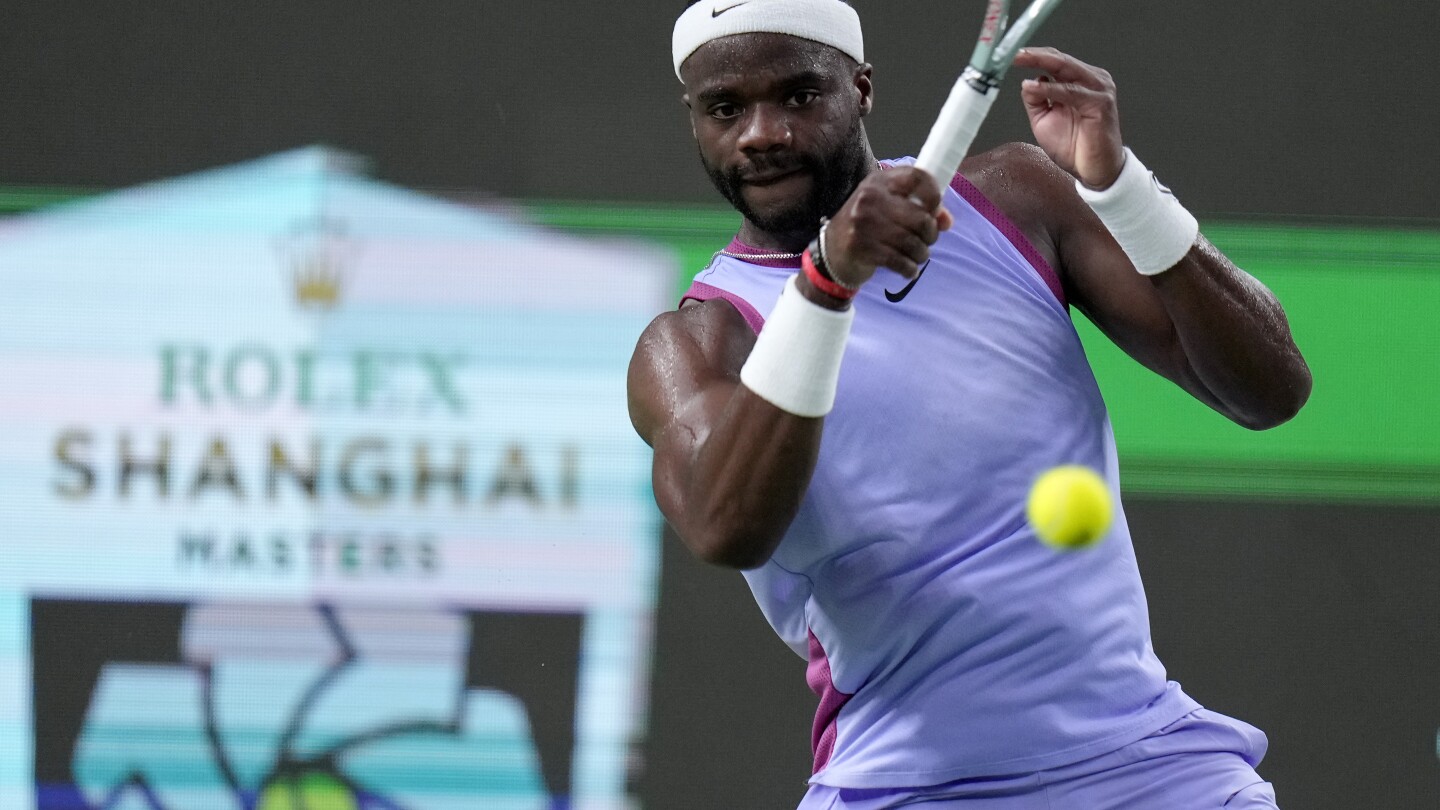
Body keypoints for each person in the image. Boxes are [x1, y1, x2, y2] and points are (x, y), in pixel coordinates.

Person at [627, 1, 1312, 807]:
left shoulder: (1015, 198)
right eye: (726, 108)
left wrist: (1123, 189)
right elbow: (726, 524)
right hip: (903, 788)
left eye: (799, 97)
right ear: (695, 121)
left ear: (861, 89)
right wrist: (825, 283)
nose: (761, 133)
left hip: (1154, 767)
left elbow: (1270, 388)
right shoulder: (696, 342)